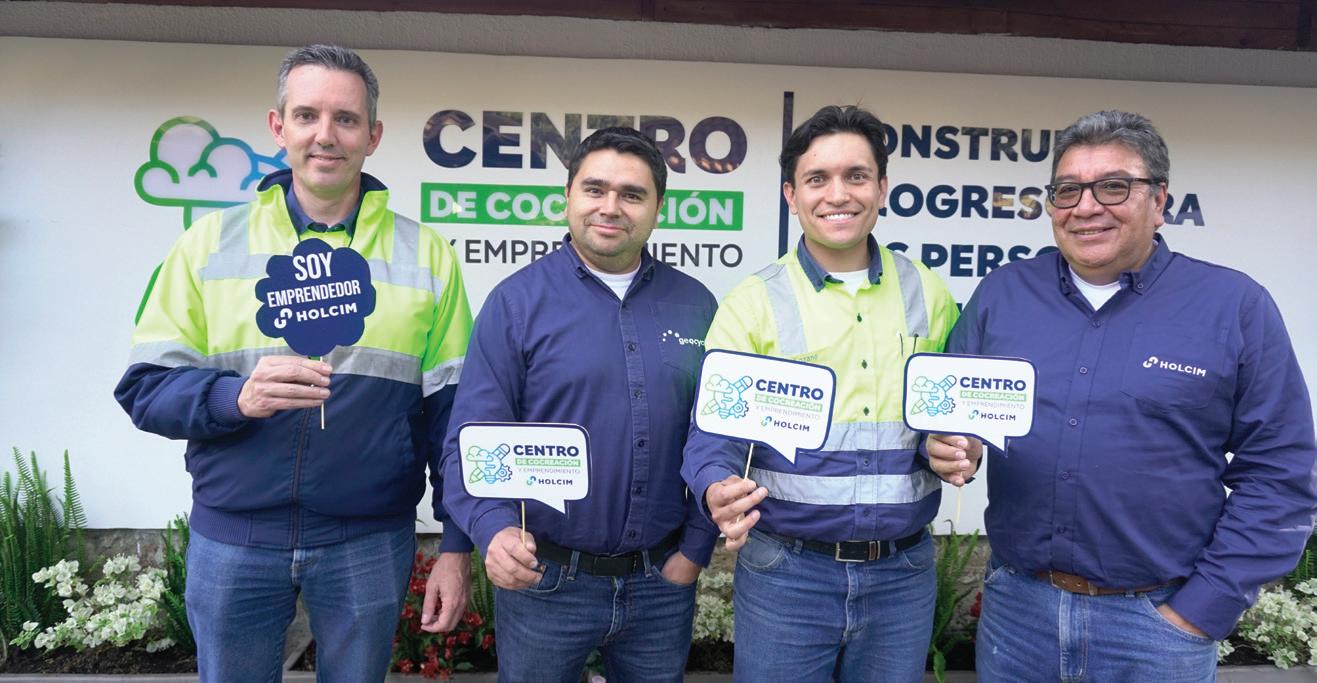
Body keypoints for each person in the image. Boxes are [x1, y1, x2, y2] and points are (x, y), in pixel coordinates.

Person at [115, 44, 474, 682]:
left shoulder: (427, 254)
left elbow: (455, 415)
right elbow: (145, 389)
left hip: (368, 541)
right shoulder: (207, 244)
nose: (325, 135)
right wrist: (234, 398)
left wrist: (456, 543)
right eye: (307, 115)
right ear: (278, 127)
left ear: (373, 136)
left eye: (346, 119)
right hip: (234, 537)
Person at [949, 109, 1317, 681]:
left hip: (1157, 628)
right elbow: (947, 415)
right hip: (1018, 617)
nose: (1086, 207)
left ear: (1159, 200)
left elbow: (1281, 472)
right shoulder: (1002, 295)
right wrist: (948, 445)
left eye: (1113, 187)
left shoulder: (1235, 306)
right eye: (1068, 190)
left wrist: (1201, 610)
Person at [681, 104, 964, 683]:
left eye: (856, 176)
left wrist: (957, 445)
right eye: (817, 179)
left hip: (902, 576)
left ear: (882, 187)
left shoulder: (928, 292)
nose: (838, 194)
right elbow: (712, 432)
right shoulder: (753, 301)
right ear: (791, 194)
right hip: (788, 574)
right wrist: (716, 485)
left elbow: (951, 416)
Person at [438, 127, 719, 683]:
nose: (610, 207)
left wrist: (694, 551)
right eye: (595, 189)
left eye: (632, 194)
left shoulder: (696, 304)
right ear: (567, 196)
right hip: (545, 582)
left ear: (658, 208)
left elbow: (718, 437)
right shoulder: (515, 303)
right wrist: (494, 531)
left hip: (661, 586)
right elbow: (468, 444)